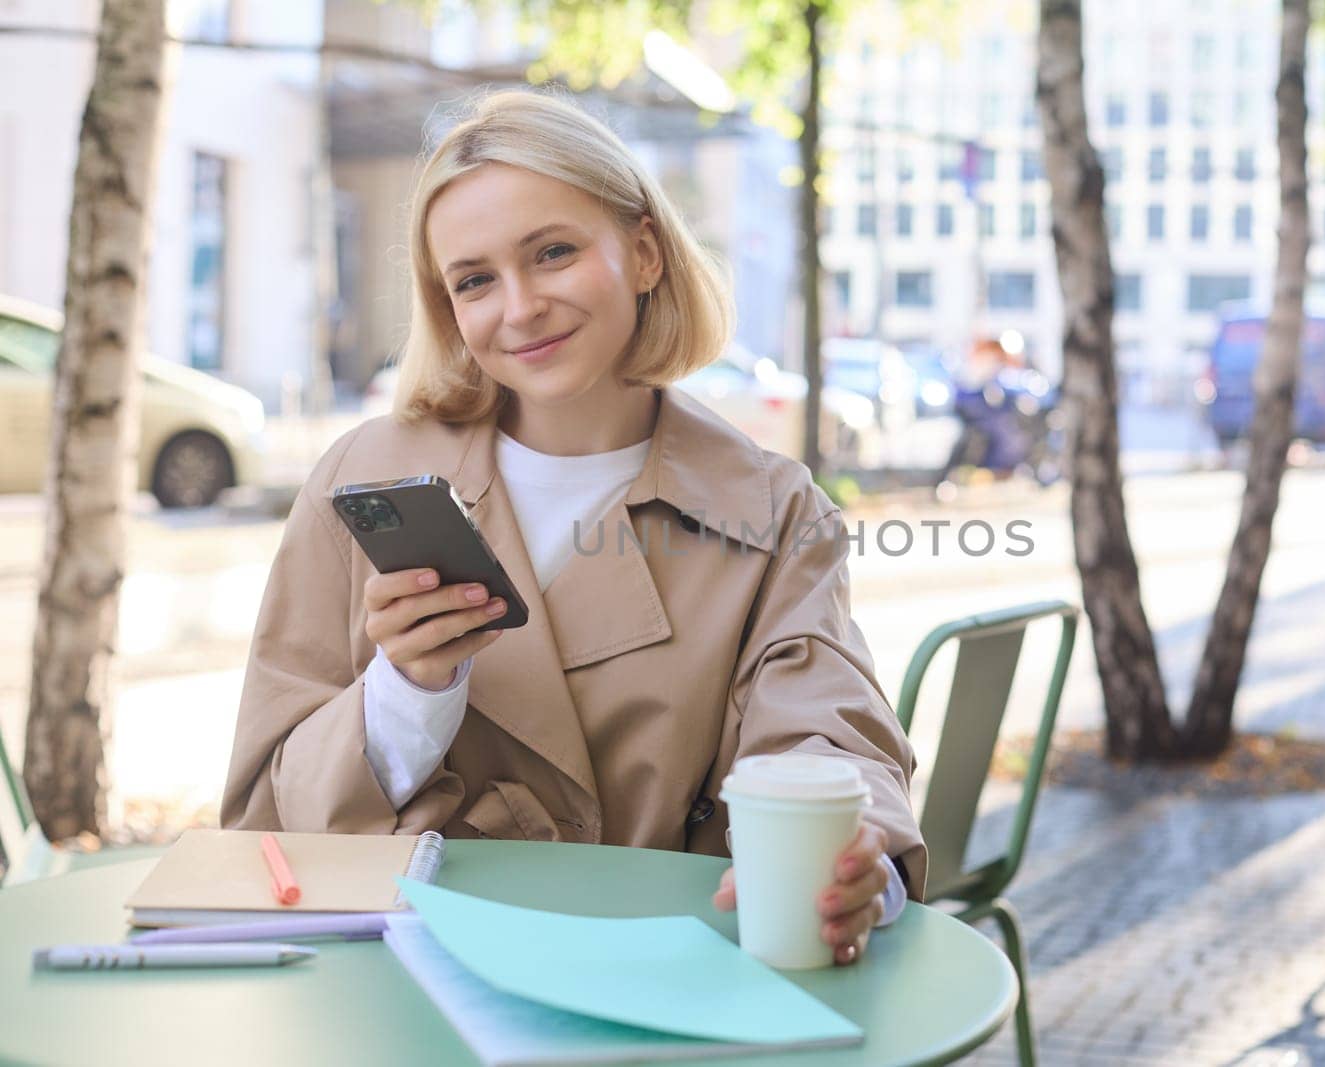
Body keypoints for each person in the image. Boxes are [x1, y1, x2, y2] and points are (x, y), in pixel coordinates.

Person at [221, 90, 924, 966]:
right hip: (396, 977)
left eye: (551, 252)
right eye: (474, 280)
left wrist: (847, 858)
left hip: (667, 977)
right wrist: (407, 690)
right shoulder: (360, 480)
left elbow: (823, 728)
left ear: (642, 252)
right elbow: (269, 815)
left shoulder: (773, 508)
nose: (518, 308)